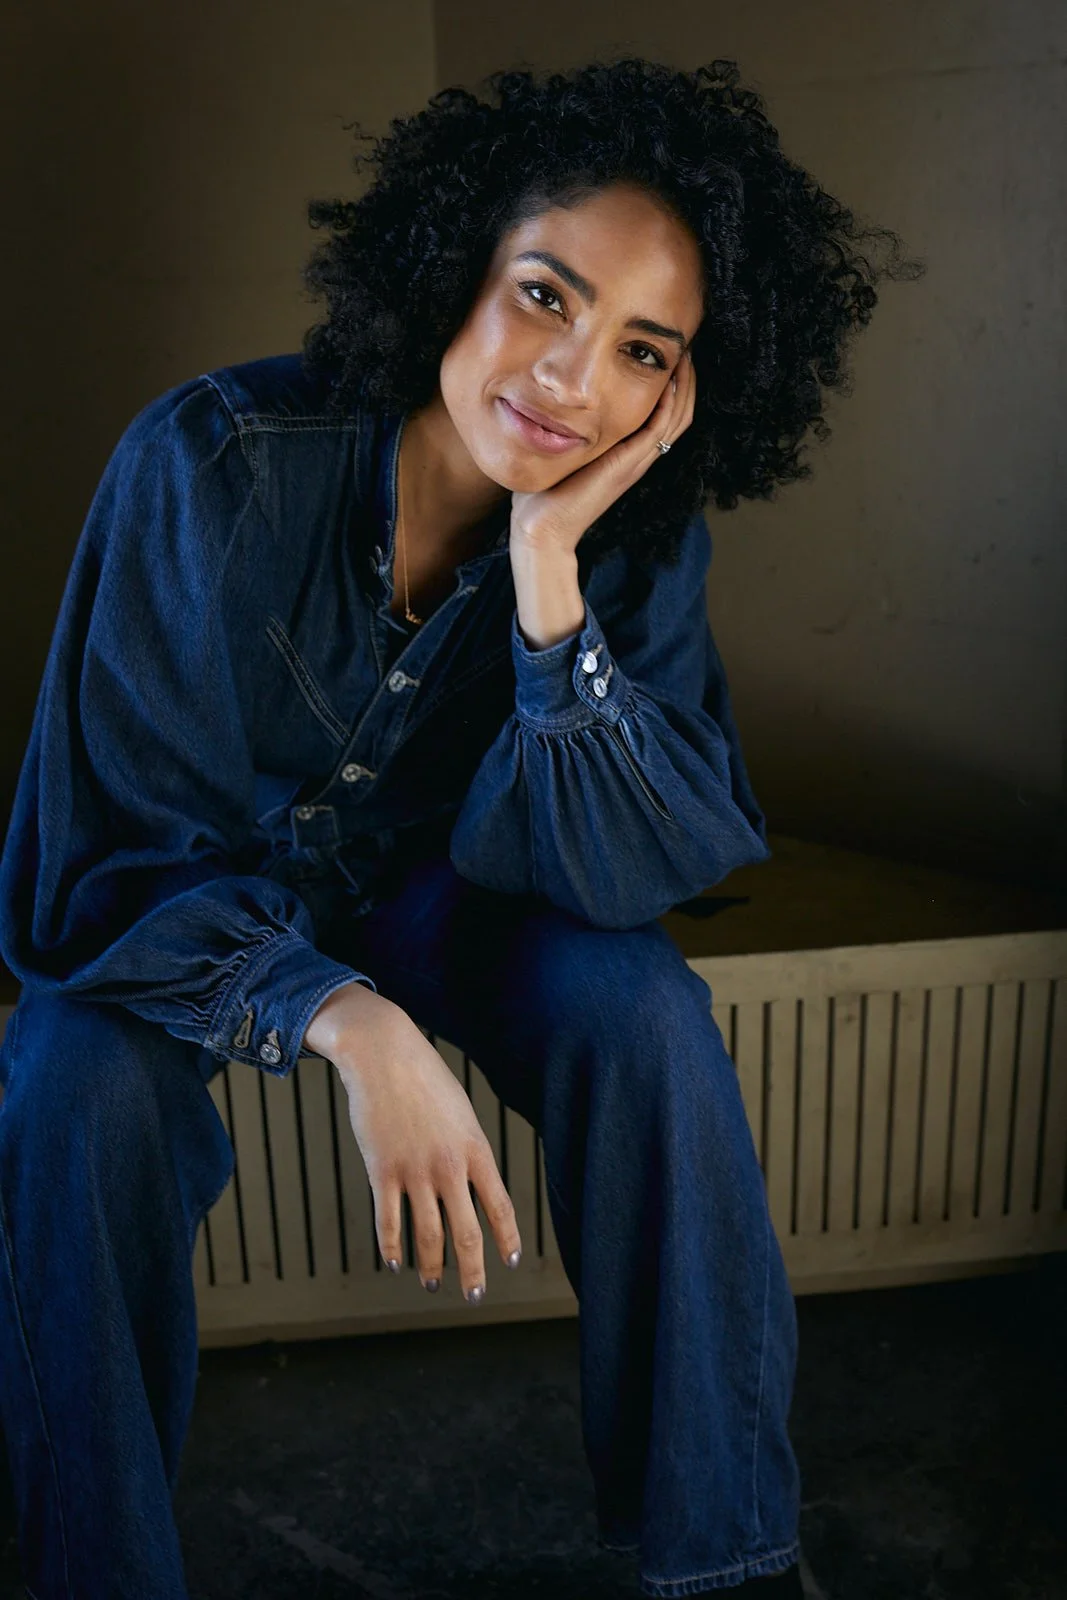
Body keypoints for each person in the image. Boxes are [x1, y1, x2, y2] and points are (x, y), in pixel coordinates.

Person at [0, 57, 918, 1600]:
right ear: (454, 266)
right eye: (546, 297)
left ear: (678, 392)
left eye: (641, 349)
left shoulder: (628, 541)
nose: (570, 382)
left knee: (642, 1011)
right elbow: (96, 864)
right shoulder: (213, 462)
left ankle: (727, 1565)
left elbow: (630, 869)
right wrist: (350, 1025)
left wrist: (550, 573)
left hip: (446, 902)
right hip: (190, 916)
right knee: (67, 1090)